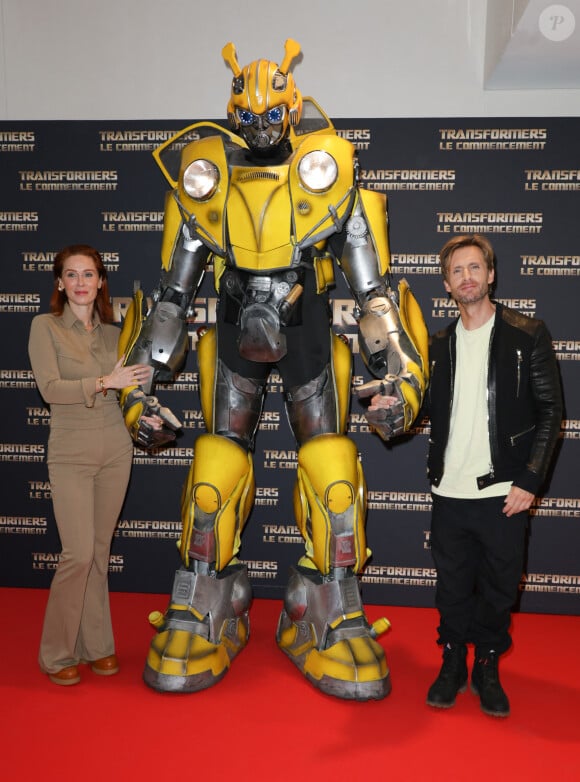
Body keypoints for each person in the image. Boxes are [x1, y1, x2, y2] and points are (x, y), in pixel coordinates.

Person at [118, 39, 429, 700]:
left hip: (307, 329)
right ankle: (207, 599)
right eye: (247, 115)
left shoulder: (331, 179)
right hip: (235, 329)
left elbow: (373, 295)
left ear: (290, 110)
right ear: (232, 112)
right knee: (215, 464)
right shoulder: (206, 183)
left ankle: (327, 605)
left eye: (270, 114)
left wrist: (399, 375)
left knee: (332, 467)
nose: (259, 127)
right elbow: (173, 299)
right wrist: (138, 385)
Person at [370, 233, 562, 716]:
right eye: (458, 271)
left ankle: (488, 665)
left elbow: (550, 413)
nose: (468, 277)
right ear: (447, 284)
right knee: (452, 589)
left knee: (499, 590)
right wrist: (390, 409)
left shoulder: (527, 333)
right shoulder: (435, 346)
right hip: (449, 490)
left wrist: (530, 481)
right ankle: (453, 660)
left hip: (505, 491)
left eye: (476, 268)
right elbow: (421, 410)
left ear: (491, 275)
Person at [28, 244, 156, 686]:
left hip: (116, 449)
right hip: (72, 451)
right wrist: (106, 381)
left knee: (99, 554)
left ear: (101, 282)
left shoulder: (115, 333)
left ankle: (96, 645)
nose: (80, 283)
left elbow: (127, 389)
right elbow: (50, 388)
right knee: (77, 555)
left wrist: (141, 396)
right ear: (59, 283)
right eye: (71, 274)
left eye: (89, 274)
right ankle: (57, 652)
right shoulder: (44, 327)